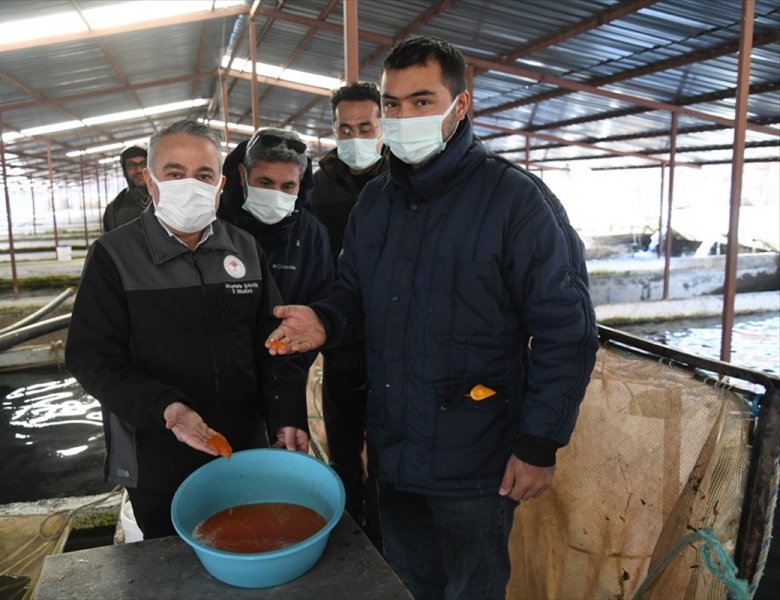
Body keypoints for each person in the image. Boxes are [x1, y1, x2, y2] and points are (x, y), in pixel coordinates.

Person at [266, 36, 598, 599]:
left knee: (472, 585)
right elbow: (353, 293)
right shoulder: (378, 201)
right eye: (393, 105)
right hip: (394, 447)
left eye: (422, 102)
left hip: (478, 455)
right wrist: (325, 320)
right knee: (407, 579)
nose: (403, 117)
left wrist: (539, 443)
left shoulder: (516, 200)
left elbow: (568, 330)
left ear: (460, 106)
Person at [66, 120, 310, 540]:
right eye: (175, 173)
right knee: (171, 564)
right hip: (156, 452)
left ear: (221, 183)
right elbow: (91, 358)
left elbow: (273, 343)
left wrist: (284, 413)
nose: (189, 185)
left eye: (203, 175)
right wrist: (167, 409)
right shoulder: (114, 255)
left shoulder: (244, 248)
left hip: (243, 448)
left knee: (244, 543)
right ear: (150, 178)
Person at [308, 81, 388, 545]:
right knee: (342, 433)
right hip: (338, 334)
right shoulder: (317, 187)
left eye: (365, 126)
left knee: (387, 437)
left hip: (393, 336)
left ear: (382, 126)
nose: (355, 136)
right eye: (345, 127)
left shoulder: (402, 179)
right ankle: (348, 518)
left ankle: (382, 523)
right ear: (333, 128)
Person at [219, 127, 334, 368]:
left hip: (286, 367)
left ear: (300, 183)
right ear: (242, 175)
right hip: (220, 371)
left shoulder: (312, 234)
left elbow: (321, 302)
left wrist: (293, 363)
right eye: (265, 182)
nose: (275, 194)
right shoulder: (215, 226)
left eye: (287, 186)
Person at [102, 145, 151, 231]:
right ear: (125, 170)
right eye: (132, 165)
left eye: (143, 164)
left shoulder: (166, 199)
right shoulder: (114, 209)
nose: (139, 170)